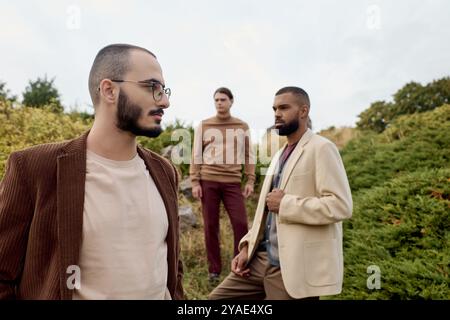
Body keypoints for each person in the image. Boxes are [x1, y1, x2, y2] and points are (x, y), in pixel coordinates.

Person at [0, 44, 184, 300]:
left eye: (164, 89)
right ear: (109, 90)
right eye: (151, 87)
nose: (164, 100)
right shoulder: (35, 168)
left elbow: (173, 269)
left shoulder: (164, 172)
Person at [209, 86, 352, 299]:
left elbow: (340, 205)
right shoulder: (278, 155)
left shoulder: (322, 148)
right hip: (259, 260)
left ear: (303, 111)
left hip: (293, 267)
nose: (277, 113)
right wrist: (247, 246)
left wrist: (286, 204)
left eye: (284, 107)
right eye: (275, 108)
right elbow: (265, 214)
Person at [190, 87, 256, 282]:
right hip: (208, 180)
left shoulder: (241, 126)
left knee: (241, 223)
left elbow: (248, 155)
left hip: (232, 183)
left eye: (223, 99)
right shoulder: (204, 125)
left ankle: (241, 263)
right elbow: (196, 155)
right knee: (211, 226)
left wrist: (250, 179)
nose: (219, 103)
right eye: (216, 100)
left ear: (231, 101)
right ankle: (214, 271)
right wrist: (195, 181)